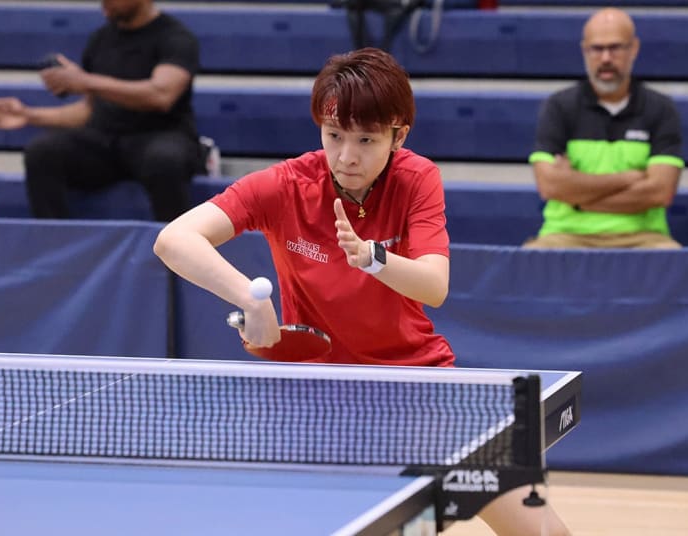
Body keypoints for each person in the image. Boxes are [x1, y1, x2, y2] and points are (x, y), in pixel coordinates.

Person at [154, 47, 570, 536]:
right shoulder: (285, 185)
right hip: (319, 405)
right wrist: (250, 297)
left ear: (399, 135)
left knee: (543, 532)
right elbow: (174, 239)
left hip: (420, 389)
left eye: (367, 139)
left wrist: (373, 258)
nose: (347, 156)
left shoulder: (417, 179)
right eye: (334, 136)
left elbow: (435, 286)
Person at [0, 0, 201, 221]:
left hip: (161, 134)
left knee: (163, 160)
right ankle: (56, 247)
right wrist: (28, 115)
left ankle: (176, 248)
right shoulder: (101, 39)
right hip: (106, 140)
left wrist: (86, 81)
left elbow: (161, 95)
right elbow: (88, 110)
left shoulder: (175, 37)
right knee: (43, 152)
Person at [524, 8, 684, 249]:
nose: (606, 58)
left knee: (673, 257)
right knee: (531, 258)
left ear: (634, 49)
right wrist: (628, 178)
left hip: (644, 237)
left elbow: (659, 192)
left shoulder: (661, 108)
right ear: (584, 51)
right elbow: (550, 186)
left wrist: (578, 199)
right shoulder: (558, 106)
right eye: (597, 49)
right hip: (565, 235)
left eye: (615, 47)